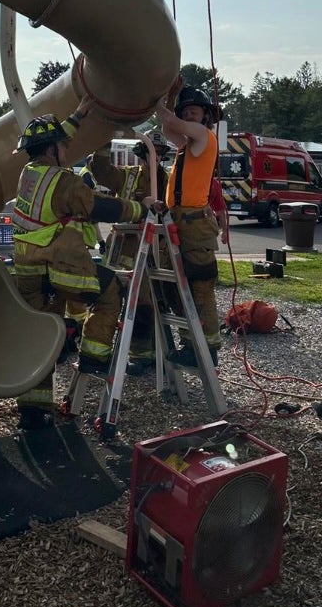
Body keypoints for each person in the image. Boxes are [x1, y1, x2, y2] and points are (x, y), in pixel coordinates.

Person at [12, 99, 149, 430]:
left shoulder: (28, 174)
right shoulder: (64, 181)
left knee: (42, 333)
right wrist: (140, 210)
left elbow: (55, 141)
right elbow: (98, 208)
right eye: (63, 145)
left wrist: (79, 115)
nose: (67, 149)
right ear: (53, 149)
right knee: (111, 289)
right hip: (58, 267)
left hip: (28, 272)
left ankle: (33, 411)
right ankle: (93, 357)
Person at [89, 129, 171, 372]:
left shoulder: (168, 181)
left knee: (151, 302)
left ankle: (146, 353)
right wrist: (103, 141)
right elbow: (101, 171)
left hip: (156, 250)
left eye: (157, 154)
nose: (152, 159)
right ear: (141, 154)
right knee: (112, 299)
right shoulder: (128, 177)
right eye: (148, 153)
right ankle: (104, 353)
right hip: (123, 250)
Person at [157, 86, 222, 366]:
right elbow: (168, 127)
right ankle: (189, 342)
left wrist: (155, 100)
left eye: (193, 111)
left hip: (195, 222)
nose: (188, 115)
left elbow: (171, 123)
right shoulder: (187, 145)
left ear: (205, 116)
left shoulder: (204, 136)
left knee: (199, 284)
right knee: (175, 284)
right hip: (179, 218)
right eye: (185, 111)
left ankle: (207, 349)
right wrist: (167, 103)